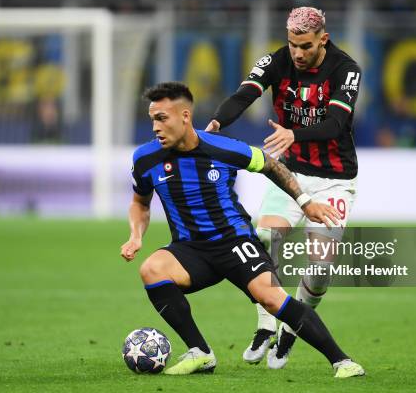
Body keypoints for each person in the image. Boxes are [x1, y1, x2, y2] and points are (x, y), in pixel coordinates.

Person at [120, 82, 364, 378]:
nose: (155, 127)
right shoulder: (145, 159)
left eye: (162, 118)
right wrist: (136, 235)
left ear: (185, 116)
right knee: (152, 269)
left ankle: (342, 361)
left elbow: (272, 166)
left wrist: (305, 202)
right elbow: (140, 203)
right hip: (190, 250)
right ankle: (201, 352)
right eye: (152, 120)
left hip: (235, 242)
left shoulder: (222, 148)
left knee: (272, 298)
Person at [206, 7, 362, 368]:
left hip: (335, 179)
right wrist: (215, 123)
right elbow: (243, 95)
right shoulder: (277, 59)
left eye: (305, 46)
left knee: (320, 268)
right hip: (288, 172)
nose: (297, 53)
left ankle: (293, 328)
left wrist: (294, 133)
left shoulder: (346, 69)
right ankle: (264, 325)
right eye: (292, 44)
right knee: (265, 238)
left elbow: (337, 123)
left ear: (323, 39)